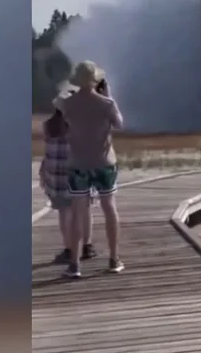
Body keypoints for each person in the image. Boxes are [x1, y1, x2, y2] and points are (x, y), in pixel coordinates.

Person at [54, 60, 125, 278]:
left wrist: (69, 90)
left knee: (78, 212)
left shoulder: (68, 104)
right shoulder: (107, 103)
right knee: (109, 208)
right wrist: (108, 93)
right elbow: (119, 123)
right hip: (104, 162)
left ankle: (75, 265)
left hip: (78, 164)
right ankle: (113, 259)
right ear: (96, 80)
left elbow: (57, 100)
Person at [39, 101, 98, 264]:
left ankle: (69, 248)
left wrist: (43, 172)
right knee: (85, 210)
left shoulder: (48, 125)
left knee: (64, 212)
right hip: (78, 173)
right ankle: (87, 246)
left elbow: (47, 150)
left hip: (56, 176)